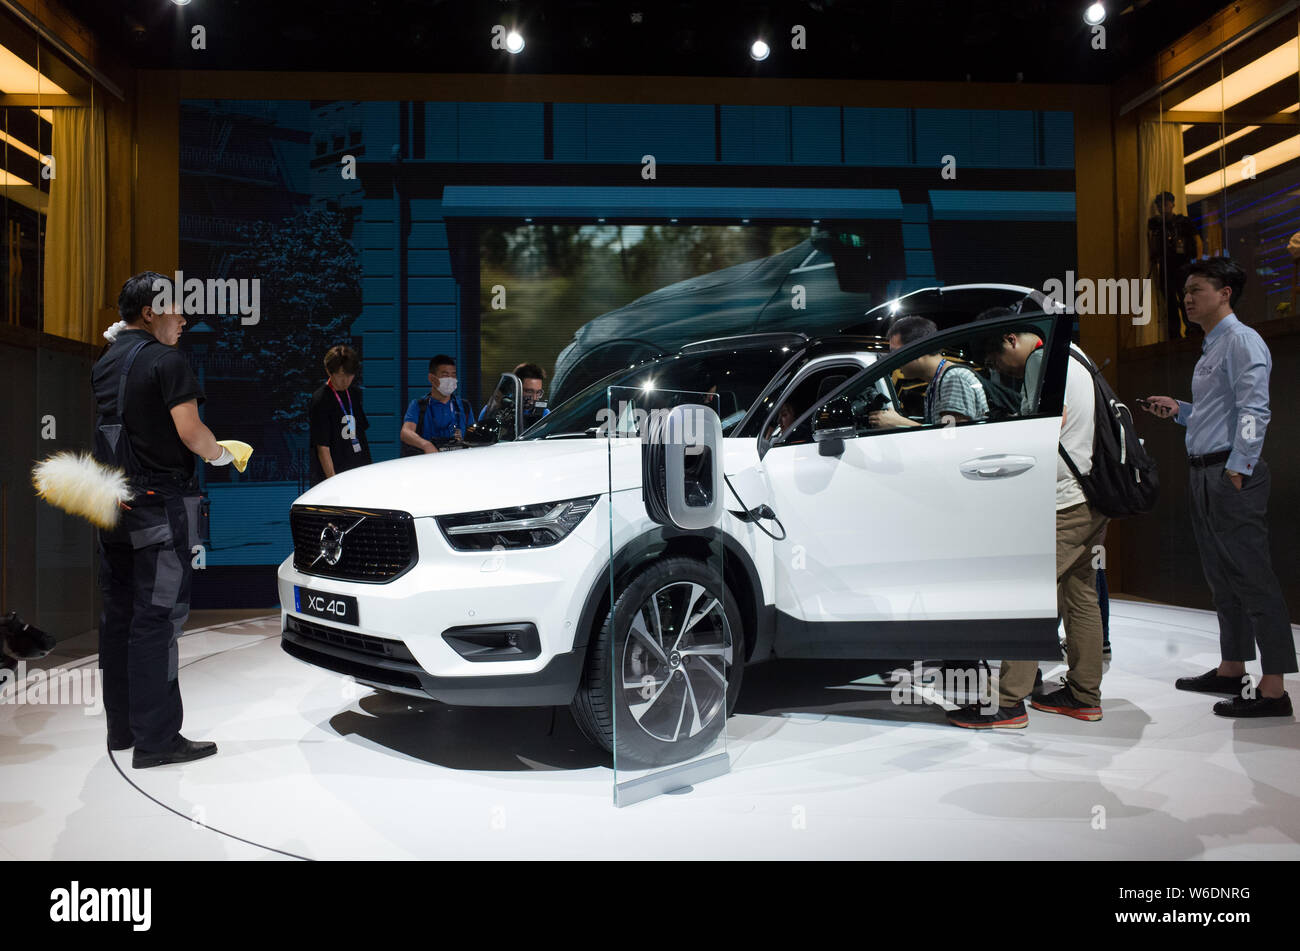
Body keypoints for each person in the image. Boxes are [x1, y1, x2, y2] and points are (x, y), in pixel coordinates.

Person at [1142, 257, 1294, 718]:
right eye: (1185, 291)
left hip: (1230, 472)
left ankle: (1274, 690)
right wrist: (1181, 409)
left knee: (1252, 576)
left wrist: (1239, 466)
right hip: (1206, 470)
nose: (1187, 298)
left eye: (1197, 290)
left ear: (1225, 292)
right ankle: (1232, 667)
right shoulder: (1212, 345)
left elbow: (1255, 408)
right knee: (1221, 576)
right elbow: (1220, 410)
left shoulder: (1242, 340)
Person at [92, 272, 231, 768]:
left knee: (120, 616)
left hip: (111, 503)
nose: (183, 318)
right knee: (157, 619)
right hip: (158, 503)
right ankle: (157, 741)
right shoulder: (168, 361)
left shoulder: (107, 362)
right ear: (150, 312)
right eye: (175, 308)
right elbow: (191, 432)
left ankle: (123, 730)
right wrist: (220, 454)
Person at [947, 320, 1108, 728]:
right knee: (1079, 594)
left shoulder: (1042, 359)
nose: (1002, 369)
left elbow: (1044, 429)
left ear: (1011, 339)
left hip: (1063, 500)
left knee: (1030, 596)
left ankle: (1007, 703)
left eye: (997, 359)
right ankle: (1084, 695)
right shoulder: (1077, 356)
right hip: (1092, 494)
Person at [867, 315, 988, 428]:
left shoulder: (953, 379)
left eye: (897, 353)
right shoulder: (938, 382)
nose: (895, 360)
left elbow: (952, 437)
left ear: (918, 348)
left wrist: (900, 423)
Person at [309, 345, 371, 485]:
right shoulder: (320, 399)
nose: (345, 381)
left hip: (357, 471)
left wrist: (368, 469)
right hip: (335, 475)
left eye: (349, 375)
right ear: (329, 371)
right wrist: (333, 482)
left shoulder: (353, 394)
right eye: (340, 375)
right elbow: (322, 447)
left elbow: (361, 436)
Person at [1148, 191, 1202, 341]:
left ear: (1172, 204)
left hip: (1183, 265)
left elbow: (1197, 240)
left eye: (1165, 204)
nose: (1162, 207)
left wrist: (1197, 262)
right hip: (1166, 267)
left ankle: (1192, 329)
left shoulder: (1183, 222)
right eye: (1159, 205)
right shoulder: (1157, 225)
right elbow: (1152, 243)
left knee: (1186, 298)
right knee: (1170, 302)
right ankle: (1174, 334)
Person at [401, 354, 474, 454]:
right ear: (431, 378)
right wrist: (426, 445)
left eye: (453, 375)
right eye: (445, 375)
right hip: (428, 463)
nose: (451, 379)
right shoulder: (418, 405)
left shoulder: (464, 406)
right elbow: (406, 432)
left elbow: (473, 436)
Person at [513, 362, 551, 429]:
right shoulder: (497, 409)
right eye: (529, 391)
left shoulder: (544, 414)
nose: (534, 398)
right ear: (515, 389)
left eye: (538, 392)